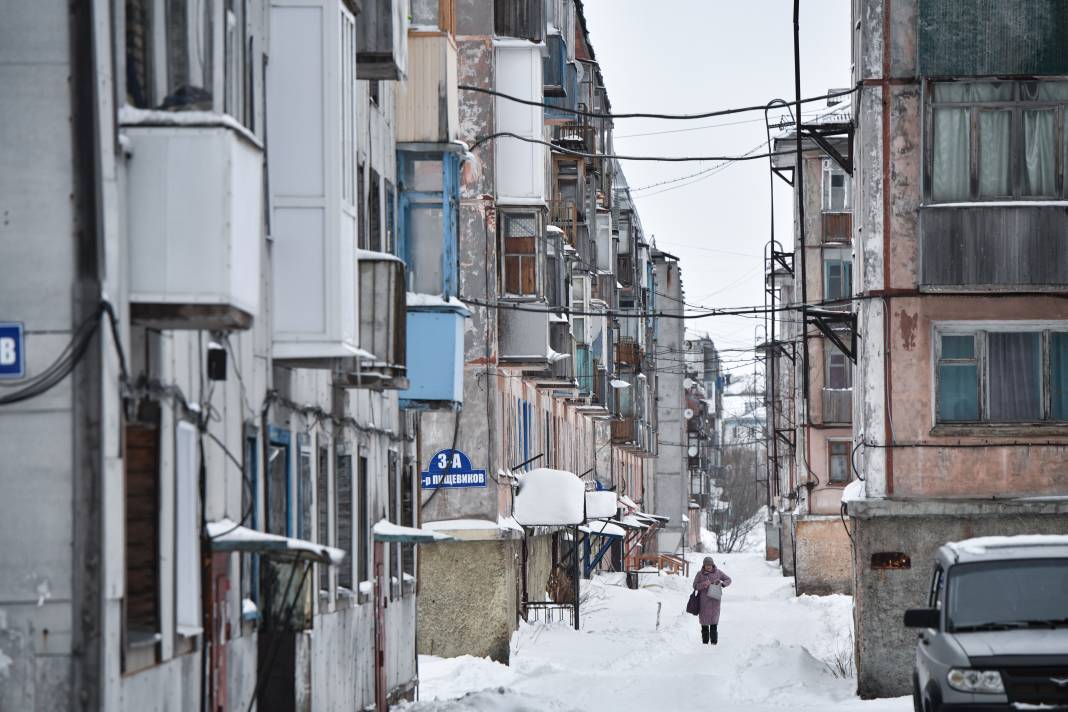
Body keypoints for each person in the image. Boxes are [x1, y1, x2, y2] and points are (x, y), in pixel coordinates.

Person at [692, 556, 732, 645]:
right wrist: (703, 584)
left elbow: (728, 579)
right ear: (704, 565)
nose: (708, 566)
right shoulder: (700, 574)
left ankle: (714, 642)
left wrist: (722, 584)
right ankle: (705, 643)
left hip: (715, 601)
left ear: (712, 565)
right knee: (704, 623)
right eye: (706, 565)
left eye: (710, 565)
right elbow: (694, 586)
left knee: (714, 623)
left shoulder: (718, 572)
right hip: (703, 602)